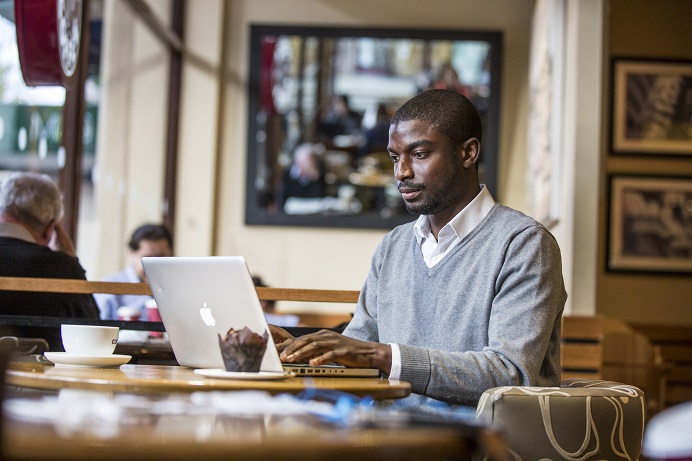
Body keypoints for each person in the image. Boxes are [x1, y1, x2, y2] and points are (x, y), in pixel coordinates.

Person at [270, 89, 567, 413]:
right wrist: (297, 353)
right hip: (387, 439)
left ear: (468, 153)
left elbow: (510, 373)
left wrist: (383, 356)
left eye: (419, 154)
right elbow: (355, 357)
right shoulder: (393, 247)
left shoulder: (524, 245)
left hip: (482, 447)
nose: (402, 172)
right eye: (395, 157)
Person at [0, 172, 100, 350]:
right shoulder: (60, 268)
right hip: (42, 374)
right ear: (50, 230)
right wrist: (70, 260)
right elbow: (95, 335)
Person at [94, 223, 173, 320]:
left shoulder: (178, 289)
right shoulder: (108, 290)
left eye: (161, 258)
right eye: (147, 259)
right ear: (131, 253)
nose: (154, 266)